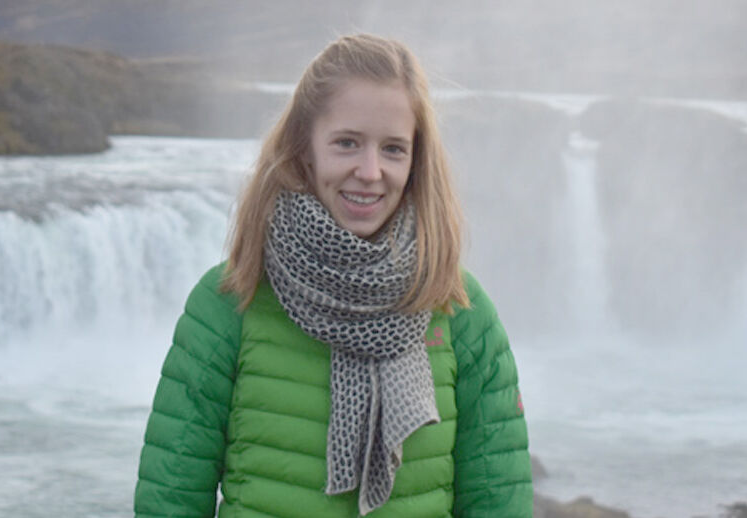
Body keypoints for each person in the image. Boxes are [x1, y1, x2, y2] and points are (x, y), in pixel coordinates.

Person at [134, 33, 532, 517]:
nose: (370, 171)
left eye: (393, 149)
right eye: (347, 143)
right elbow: (171, 498)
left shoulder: (459, 310)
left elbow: (498, 502)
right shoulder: (230, 301)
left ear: (416, 161)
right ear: (305, 149)